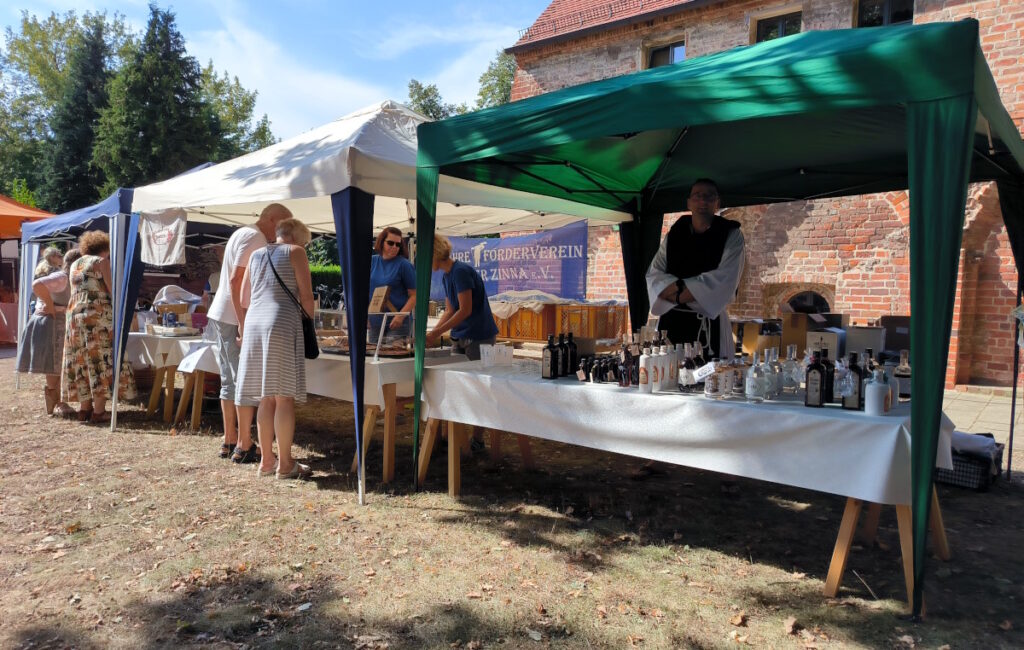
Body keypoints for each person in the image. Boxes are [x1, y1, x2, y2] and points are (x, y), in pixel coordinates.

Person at [206, 204, 291, 462]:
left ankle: (230, 438)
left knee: (229, 379)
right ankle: (244, 443)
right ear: (273, 219)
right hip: (234, 315)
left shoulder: (241, 233)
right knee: (243, 379)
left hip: (222, 313)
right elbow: (236, 280)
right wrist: (243, 322)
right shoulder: (254, 237)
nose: (282, 232)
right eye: (283, 225)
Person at [236, 218, 315, 480]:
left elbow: (244, 298)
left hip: (254, 323)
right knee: (283, 397)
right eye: (304, 241)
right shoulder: (296, 252)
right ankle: (285, 463)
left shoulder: (256, 254)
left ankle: (267, 461)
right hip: (281, 322)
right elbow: (306, 297)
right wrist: (309, 326)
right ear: (296, 237)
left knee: (265, 396)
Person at [645, 178, 745, 360]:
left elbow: (723, 280)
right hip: (672, 322)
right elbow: (654, 274)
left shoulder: (731, 234)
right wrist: (686, 292)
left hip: (708, 325)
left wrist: (676, 293)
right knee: (667, 375)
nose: (703, 201)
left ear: (717, 203)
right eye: (697, 196)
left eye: (709, 196)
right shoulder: (676, 233)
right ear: (689, 202)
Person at [426, 234, 499, 453]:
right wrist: (430, 333)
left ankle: (477, 440)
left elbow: (465, 309)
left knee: (479, 389)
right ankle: (455, 440)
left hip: (479, 337)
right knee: (454, 388)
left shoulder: (460, 272)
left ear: (435, 255)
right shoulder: (448, 275)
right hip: (460, 337)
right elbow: (449, 310)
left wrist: (437, 332)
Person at [61, 232, 137, 423]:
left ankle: (84, 409)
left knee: (80, 361)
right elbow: (113, 291)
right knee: (100, 360)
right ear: (105, 247)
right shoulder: (100, 261)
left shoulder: (74, 265)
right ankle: (99, 411)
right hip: (97, 317)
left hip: (74, 318)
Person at [17, 247, 73, 416]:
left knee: (55, 361)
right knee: (54, 362)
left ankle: (56, 403)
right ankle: (57, 404)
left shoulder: (61, 275)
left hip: (51, 320)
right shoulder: (62, 276)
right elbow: (37, 285)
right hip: (51, 321)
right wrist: (49, 305)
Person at [368, 227, 416, 343]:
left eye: (398, 244)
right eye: (390, 243)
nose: (394, 247)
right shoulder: (371, 261)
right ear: (381, 242)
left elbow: (414, 295)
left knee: (392, 358)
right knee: (373, 357)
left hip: (397, 323)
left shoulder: (404, 265)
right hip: (375, 322)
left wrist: (400, 316)